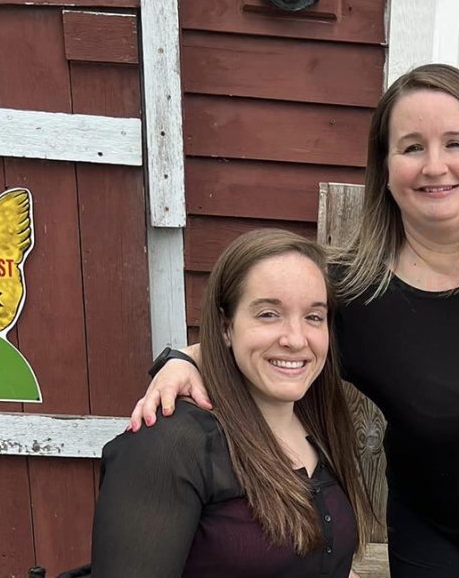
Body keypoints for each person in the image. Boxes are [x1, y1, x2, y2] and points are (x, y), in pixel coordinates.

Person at [130, 64, 459, 578]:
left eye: (455, 143)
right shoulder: (354, 293)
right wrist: (182, 361)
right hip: (436, 524)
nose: (435, 166)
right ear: (384, 165)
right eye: (412, 147)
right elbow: (267, 338)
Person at [91, 229, 370, 577]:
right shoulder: (172, 445)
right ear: (226, 326)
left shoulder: (320, 426)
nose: (296, 339)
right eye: (268, 314)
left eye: (313, 316)